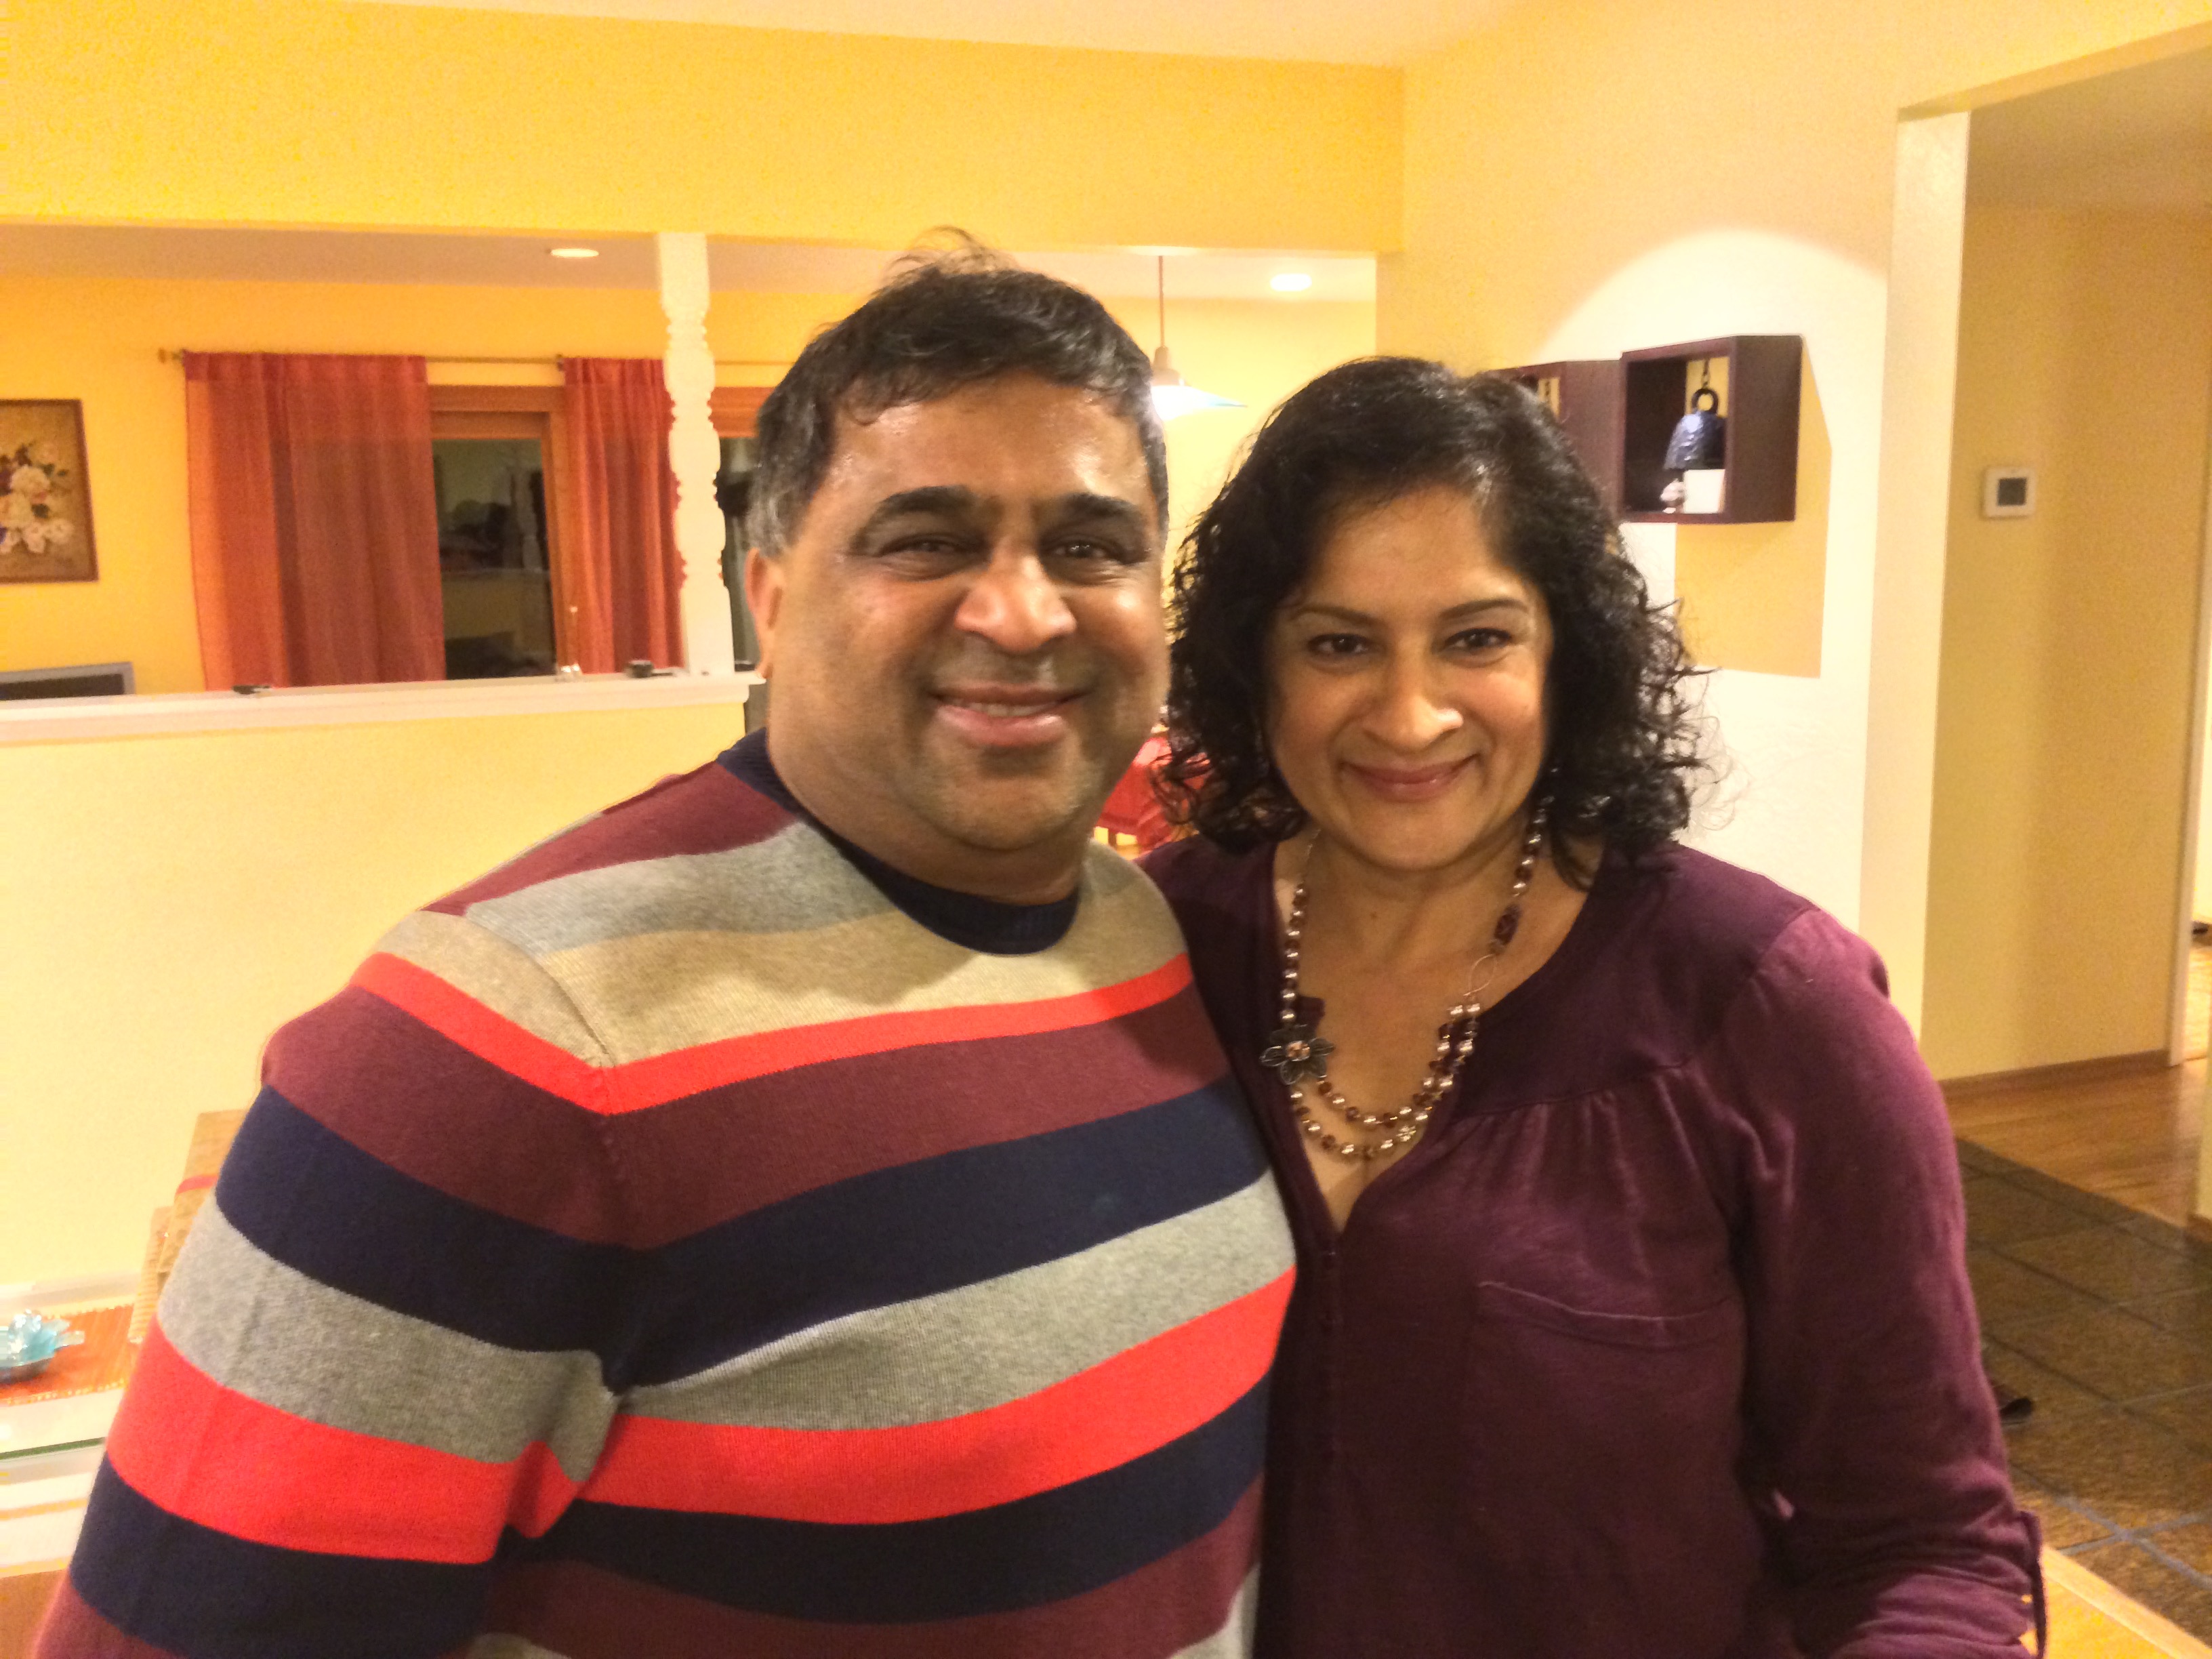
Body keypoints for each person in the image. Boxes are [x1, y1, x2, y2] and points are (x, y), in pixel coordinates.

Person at [41, 253, 1294, 1658]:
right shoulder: (482, 1054)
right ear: (772, 593)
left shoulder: (1148, 934)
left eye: (1091, 546)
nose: (1024, 613)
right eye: (924, 540)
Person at [1141, 356, 2041, 1658]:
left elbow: (1924, 1543)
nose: (1411, 715)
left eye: (1478, 638)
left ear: (1568, 656)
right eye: (1339, 643)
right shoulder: (1154, 950)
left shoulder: (1766, 1005)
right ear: (1253, 667)